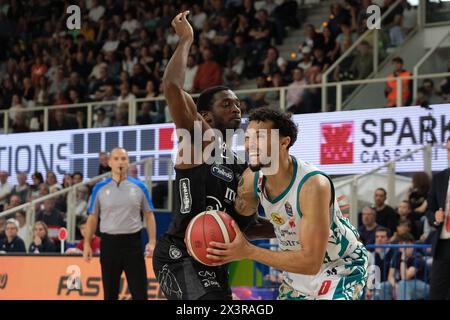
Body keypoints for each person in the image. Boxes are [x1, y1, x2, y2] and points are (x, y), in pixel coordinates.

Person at [153, 11, 274, 301]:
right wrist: (186, 40)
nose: (236, 109)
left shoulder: (241, 164)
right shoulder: (202, 140)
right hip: (178, 253)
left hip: (213, 259)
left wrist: (300, 228)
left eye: (238, 104)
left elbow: (251, 226)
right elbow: (171, 87)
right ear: (205, 115)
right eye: (226, 104)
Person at [207, 108, 368, 300]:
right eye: (248, 138)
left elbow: (311, 262)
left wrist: (248, 251)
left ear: (284, 142)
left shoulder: (313, 185)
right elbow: (244, 226)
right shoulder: (251, 181)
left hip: (339, 266)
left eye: (259, 137)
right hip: (296, 272)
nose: (250, 145)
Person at [83, 147, 156, 300]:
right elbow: (92, 217)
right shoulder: (99, 188)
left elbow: (149, 215)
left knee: (140, 293)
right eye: (116, 159)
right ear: (109, 163)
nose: (120, 162)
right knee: (110, 294)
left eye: (123, 158)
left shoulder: (140, 187)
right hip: (109, 244)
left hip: (133, 245)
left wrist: (152, 242)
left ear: (128, 162)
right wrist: (87, 244)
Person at [426, 137, 450, 300]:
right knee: (437, 292)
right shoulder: (439, 178)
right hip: (443, 244)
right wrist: (435, 217)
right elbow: (429, 210)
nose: (449, 154)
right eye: (448, 150)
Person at [382, 233, 429, 300]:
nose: (404, 245)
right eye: (401, 243)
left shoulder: (418, 257)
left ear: (412, 244)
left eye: (406, 242)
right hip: (403, 285)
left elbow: (405, 277)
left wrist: (403, 258)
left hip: (422, 286)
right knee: (384, 286)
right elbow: (390, 276)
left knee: (403, 284)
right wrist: (395, 285)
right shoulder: (397, 255)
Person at [367, 227, 395, 300]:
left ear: (388, 239)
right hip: (376, 287)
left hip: (391, 285)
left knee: (383, 287)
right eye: (377, 237)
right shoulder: (371, 253)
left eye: (382, 237)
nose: (379, 239)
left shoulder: (394, 252)